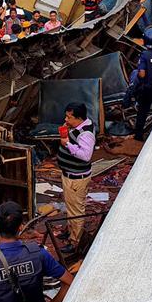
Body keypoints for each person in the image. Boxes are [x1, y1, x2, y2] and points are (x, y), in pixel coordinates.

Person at [57, 102, 95, 255]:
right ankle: (70, 230)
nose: (66, 119)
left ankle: (75, 241)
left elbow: (86, 156)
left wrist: (68, 145)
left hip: (76, 178)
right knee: (71, 206)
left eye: (69, 117)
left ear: (79, 118)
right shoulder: (80, 126)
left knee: (76, 211)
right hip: (70, 175)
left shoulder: (86, 134)